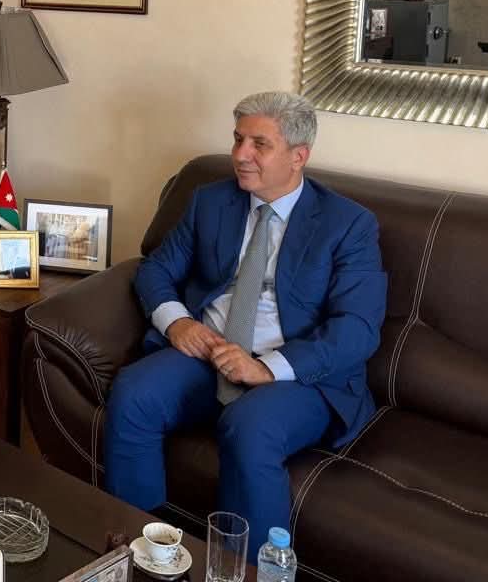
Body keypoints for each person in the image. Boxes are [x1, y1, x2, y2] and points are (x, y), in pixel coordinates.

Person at [102, 91, 386, 563]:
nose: (240, 154)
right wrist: (178, 322)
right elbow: (156, 269)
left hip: (298, 374)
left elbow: (356, 329)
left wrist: (268, 368)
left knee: (250, 428)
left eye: (259, 144)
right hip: (209, 351)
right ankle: (140, 553)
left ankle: (249, 571)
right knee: (135, 393)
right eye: (237, 139)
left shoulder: (348, 224)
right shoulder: (210, 201)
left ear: (299, 156)